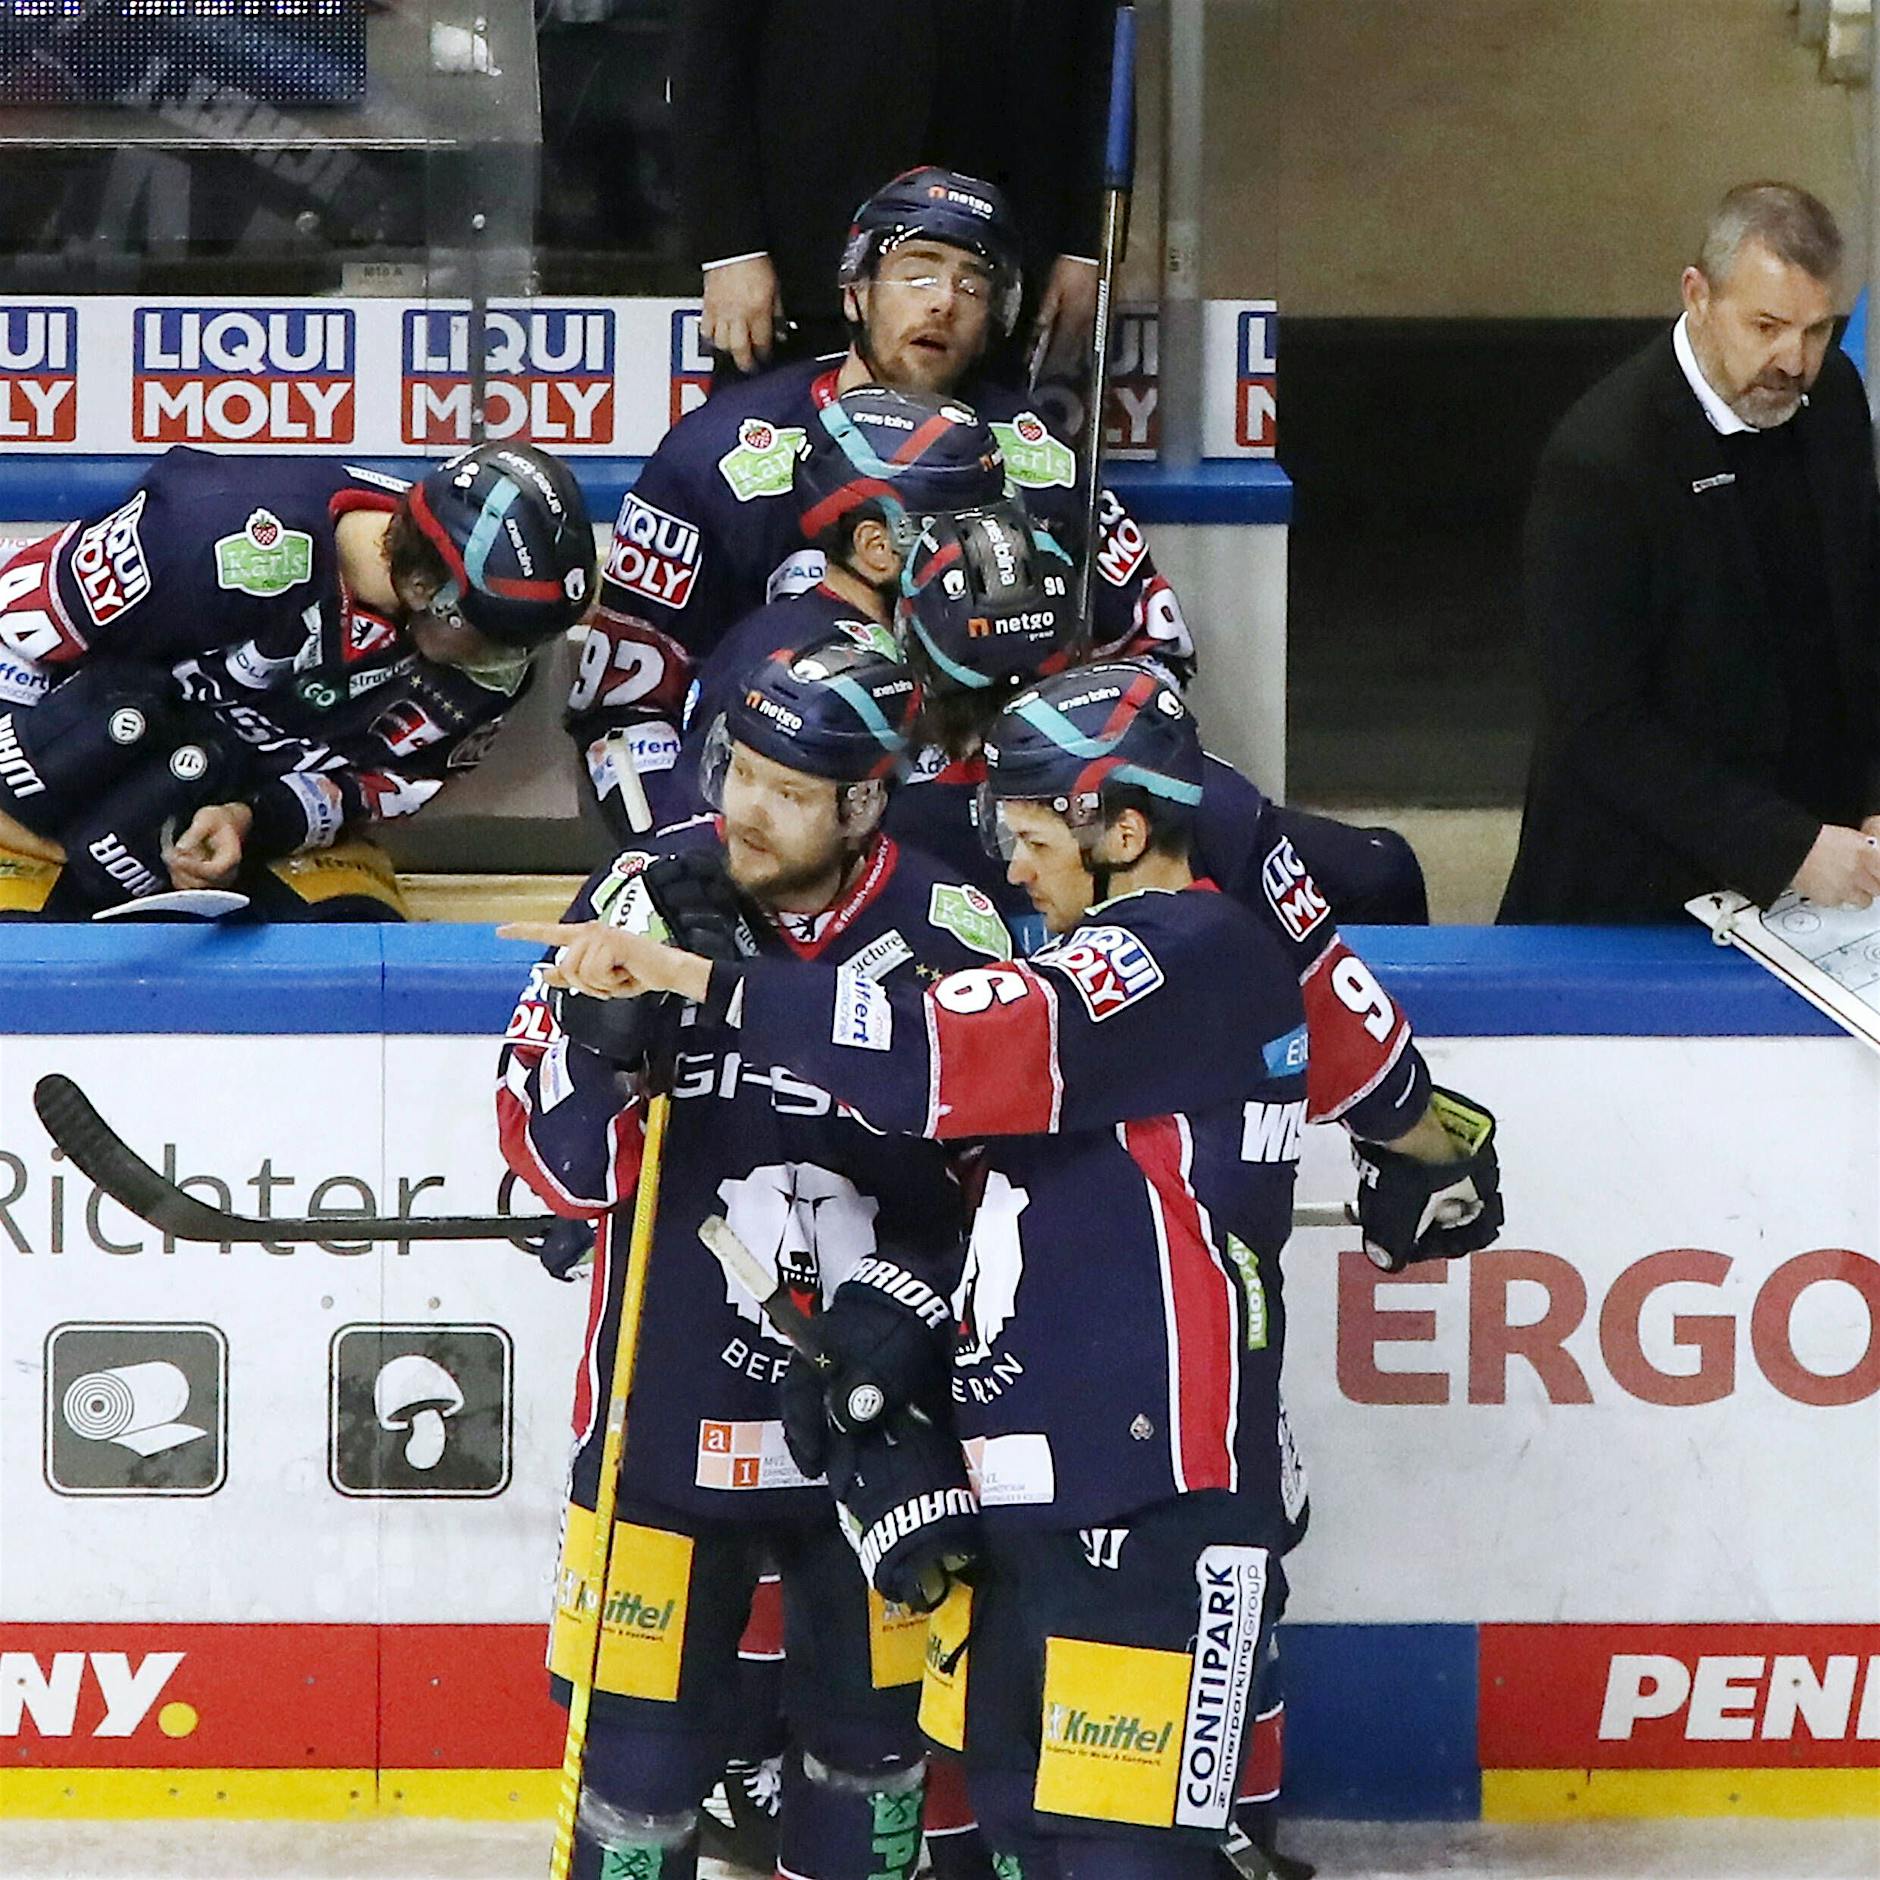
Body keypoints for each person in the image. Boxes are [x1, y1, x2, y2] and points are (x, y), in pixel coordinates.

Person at [513, 663, 1502, 1880]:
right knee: (1015, 1834)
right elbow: (991, 1185)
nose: (1015, 869)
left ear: (1123, 830)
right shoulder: (1113, 956)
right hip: (1027, 1494)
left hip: (1156, 1503)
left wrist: (707, 985)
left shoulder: (1181, 954)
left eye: (1033, 839)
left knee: (1115, 1854)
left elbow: (947, 1058)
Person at [497, 632, 1019, 1880]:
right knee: (635, 1767)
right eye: (739, 771)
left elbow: (1010, 1190)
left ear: (863, 801)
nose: (745, 810)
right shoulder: (636, 896)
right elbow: (551, 1164)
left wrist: (907, 1303)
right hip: (662, 1417)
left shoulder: (952, 928)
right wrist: (607, 1043)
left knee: (872, 1758)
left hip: (876, 1423)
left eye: (790, 792)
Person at [569, 165, 1190, 838]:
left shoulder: (1044, 466)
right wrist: (677, 852)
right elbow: (623, 706)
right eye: (917, 272)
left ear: (996, 319)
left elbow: (1152, 659)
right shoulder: (713, 457)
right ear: (855, 292)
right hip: (767, 836)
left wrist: (1072, 836)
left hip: (992, 842)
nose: (943, 302)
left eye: (971, 284)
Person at [0, 441, 596, 919]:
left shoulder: (494, 663)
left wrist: (251, 821)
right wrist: (45, 845)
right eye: (498, 634)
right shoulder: (209, 532)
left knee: (350, 936)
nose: (511, 660)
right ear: (423, 587)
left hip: (215, 838)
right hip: (33, 800)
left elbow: (378, 789)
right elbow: (15, 625)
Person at [1500, 181, 1880, 923]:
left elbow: (1863, 613)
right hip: (1637, 890)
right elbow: (1598, 727)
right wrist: (1786, 846)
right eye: (1766, 325)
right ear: (1697, 295)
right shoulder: (1603, 460)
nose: (1792, 361)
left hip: (1818, 875)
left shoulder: (1830, 398)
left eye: (1816, 330)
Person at [674, 2, 1113, 377]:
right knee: (780, 465)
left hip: (993, 271)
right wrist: (731, 247)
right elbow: (709, 57)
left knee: (977, 469)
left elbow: (1100, 58)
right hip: (802, 265)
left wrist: (1083, 244)